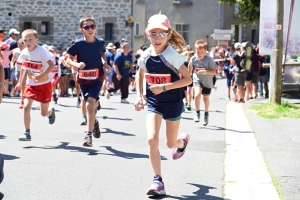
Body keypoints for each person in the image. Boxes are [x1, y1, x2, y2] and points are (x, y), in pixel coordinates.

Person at [134, 12, 192, 196]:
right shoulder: (145, 55)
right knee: (152, 139)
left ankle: (181, 143)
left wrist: (165, 87)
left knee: (169, 144)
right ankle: (157, 181)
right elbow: (139, 73)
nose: (157, 38)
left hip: (173, 102)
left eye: (161, 33)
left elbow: (188, 79)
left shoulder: (172, 56)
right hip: (154, 103)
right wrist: (139, 96)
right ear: (147, 35)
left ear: (168, 34)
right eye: (153, 34)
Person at [66, 16, 109, 147]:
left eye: (92, 26)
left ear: (95, 28)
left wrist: (105, 64)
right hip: (83, 79)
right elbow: (67, 59)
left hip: (97, 77)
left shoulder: (100, 42)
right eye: (86, 27)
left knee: (90, 103)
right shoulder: (78, 44)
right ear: (82, 30)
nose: (90, 29)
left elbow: (102, 54)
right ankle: (94, 122)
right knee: (88, 104)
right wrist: (76, 64)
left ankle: (88, 135)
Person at [15, 29, 56, 141]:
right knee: (26, 106)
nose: (28, 42)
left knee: (43, 113)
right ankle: (27, 132)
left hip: (44, 83)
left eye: (30, 39)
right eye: (25, 40)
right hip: (31, 83)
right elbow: (24, 67)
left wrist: (42, 75)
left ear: (36, 40)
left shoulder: (42, 51)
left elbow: (52, 66)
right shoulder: (24, 53)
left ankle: (50, 112)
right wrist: (19, 81)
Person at [189, 40, 216, 126]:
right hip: (197, 79)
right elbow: (189, 70)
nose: (199, 54)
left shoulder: (209, 59)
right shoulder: (193, 59)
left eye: (202, 52)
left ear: (205, 51)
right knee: (197, 95)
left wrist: (205, 71)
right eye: (198, 52)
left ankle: (206, 114)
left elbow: (214, 72)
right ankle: (197, 113)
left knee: (205, 99)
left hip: (207, 82)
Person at [10, 38, 26, 108]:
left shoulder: (28, 52)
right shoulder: (16, 52)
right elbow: (12, 60)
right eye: (19, 46)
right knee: (19, 85)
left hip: (26, 70)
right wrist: (12, 65)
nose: (20, 47)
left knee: (23, 84)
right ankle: (22, 96)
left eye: (22, 46)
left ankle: (22, 101)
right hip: (18, 70)